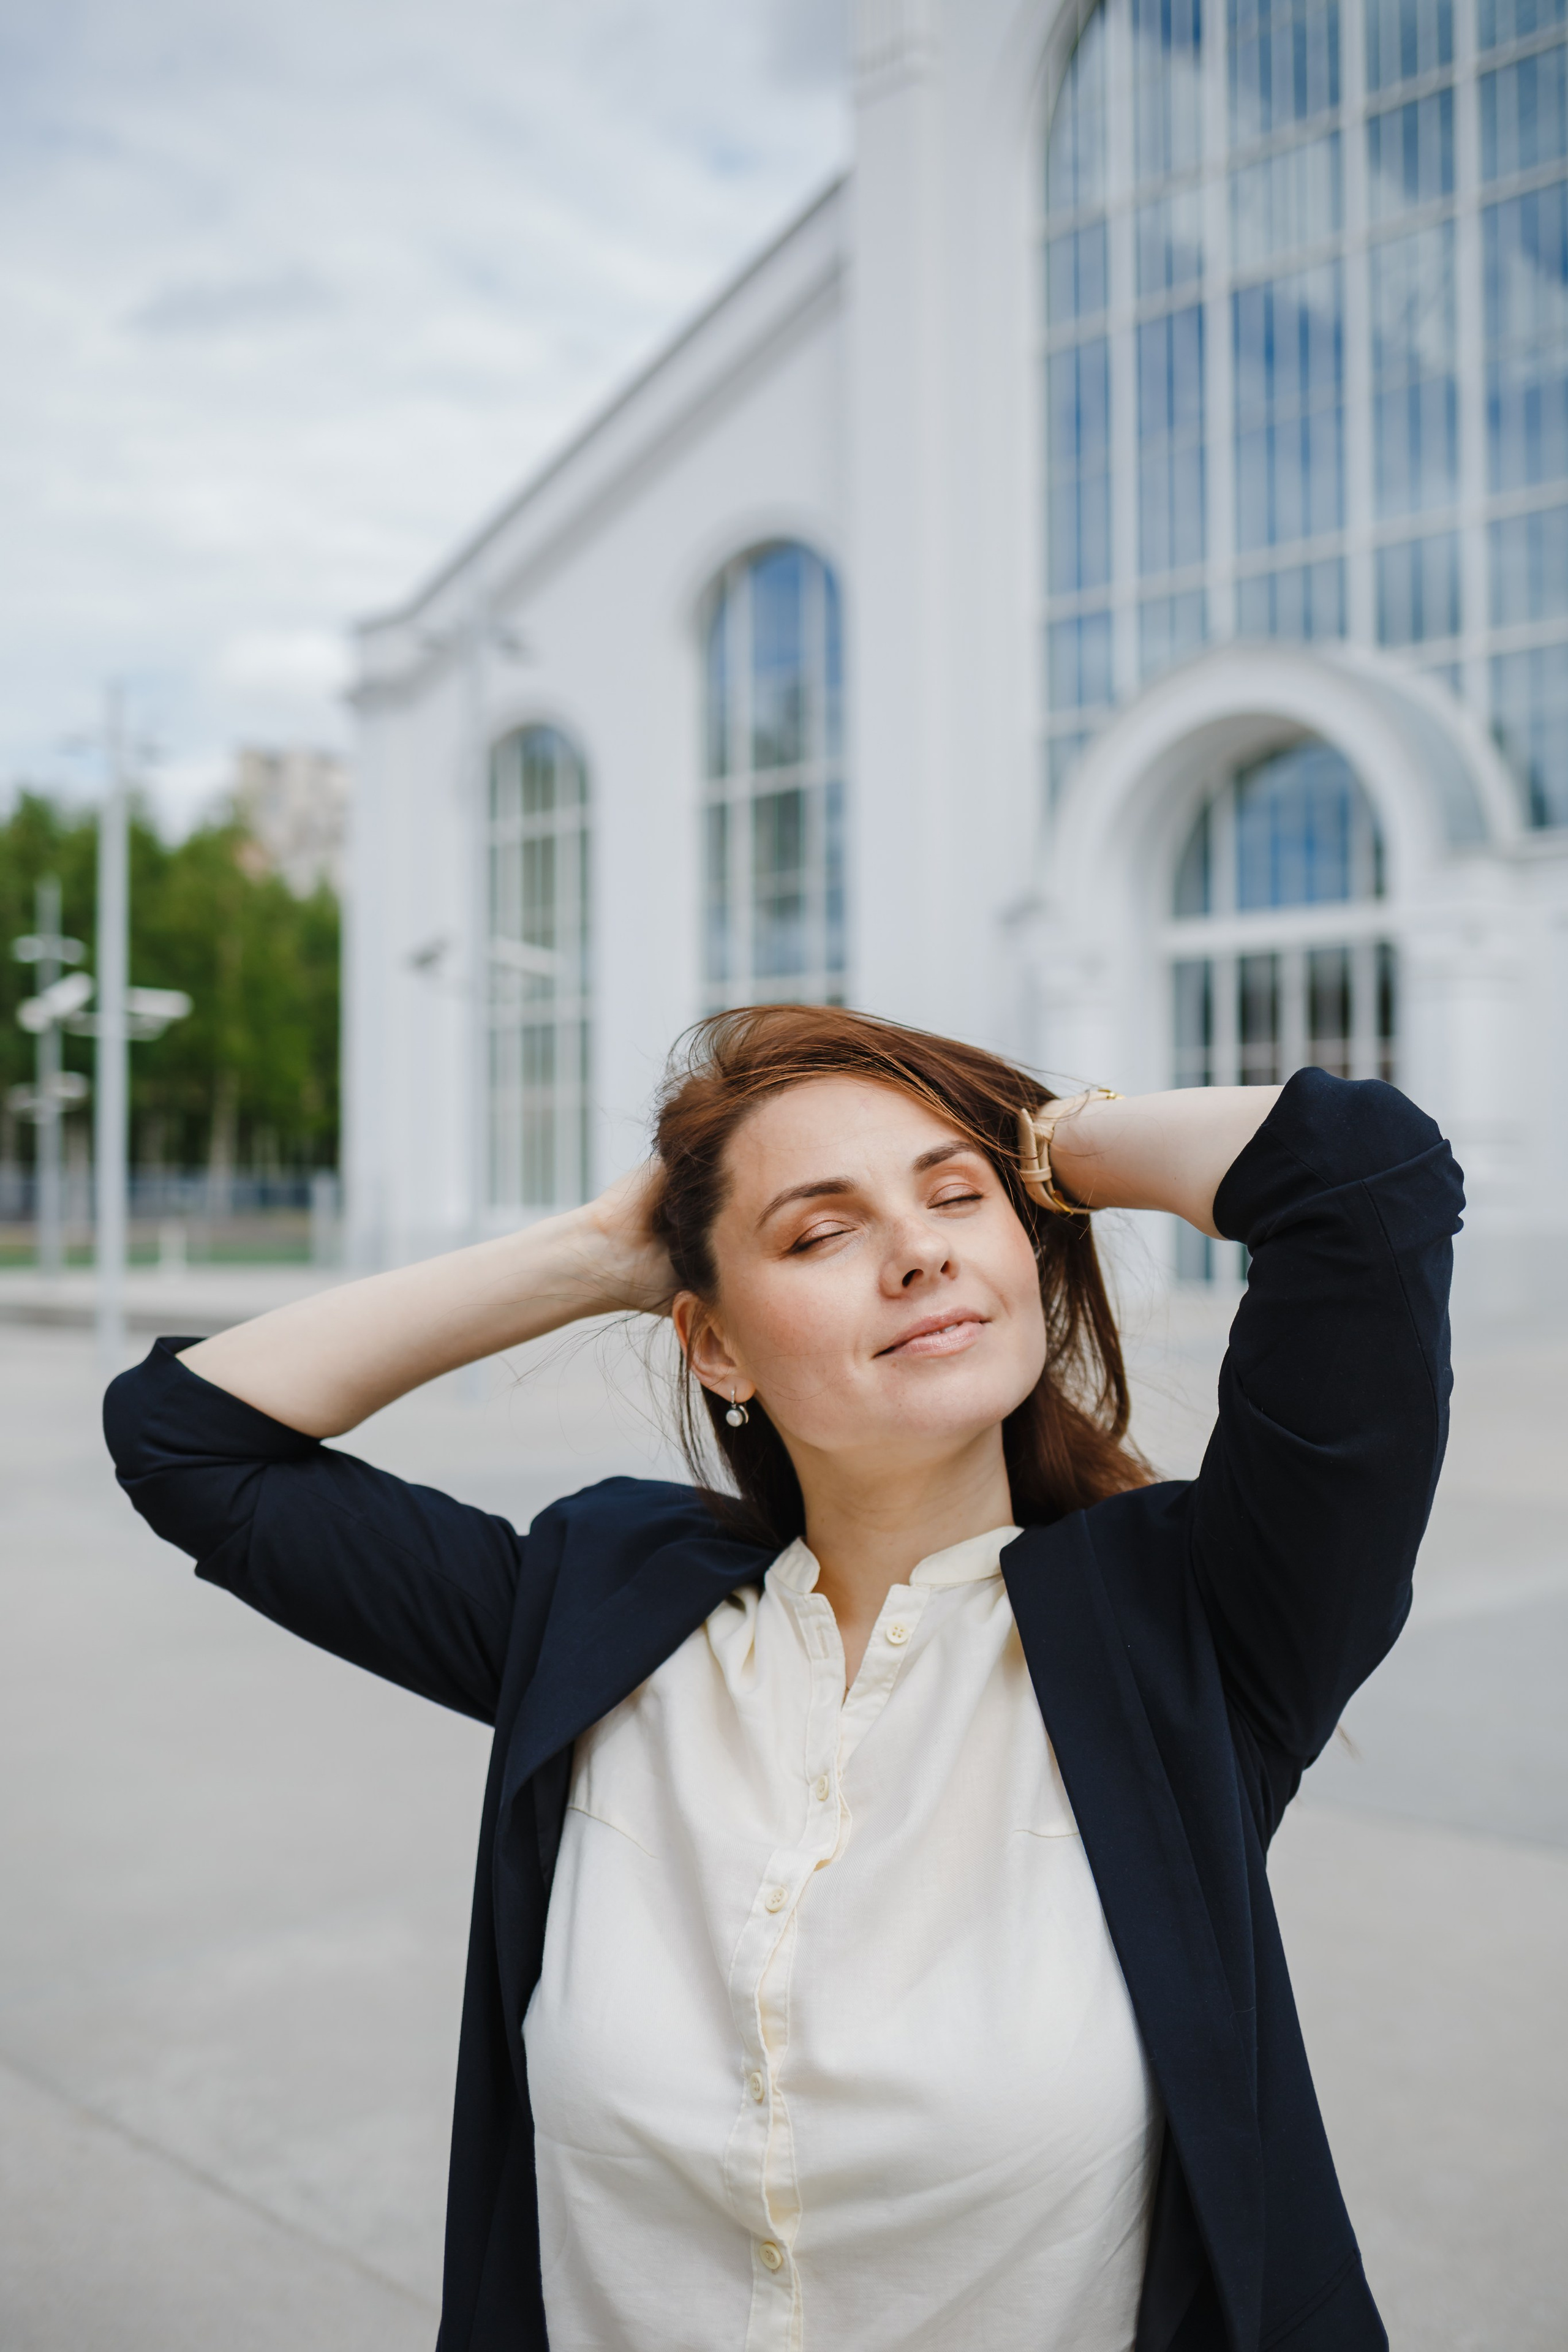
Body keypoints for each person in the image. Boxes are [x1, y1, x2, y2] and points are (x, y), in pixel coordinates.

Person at [103, 1005, 1463, 2352]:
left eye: (954, 1201)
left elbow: (1358, 1172)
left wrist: (1038, 1144)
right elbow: (189, 1442)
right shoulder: (598, 1606)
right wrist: (590, 1255)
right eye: (820, 1233)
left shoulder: (1199, 1624)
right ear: (714, 1346)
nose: (917, 1251)